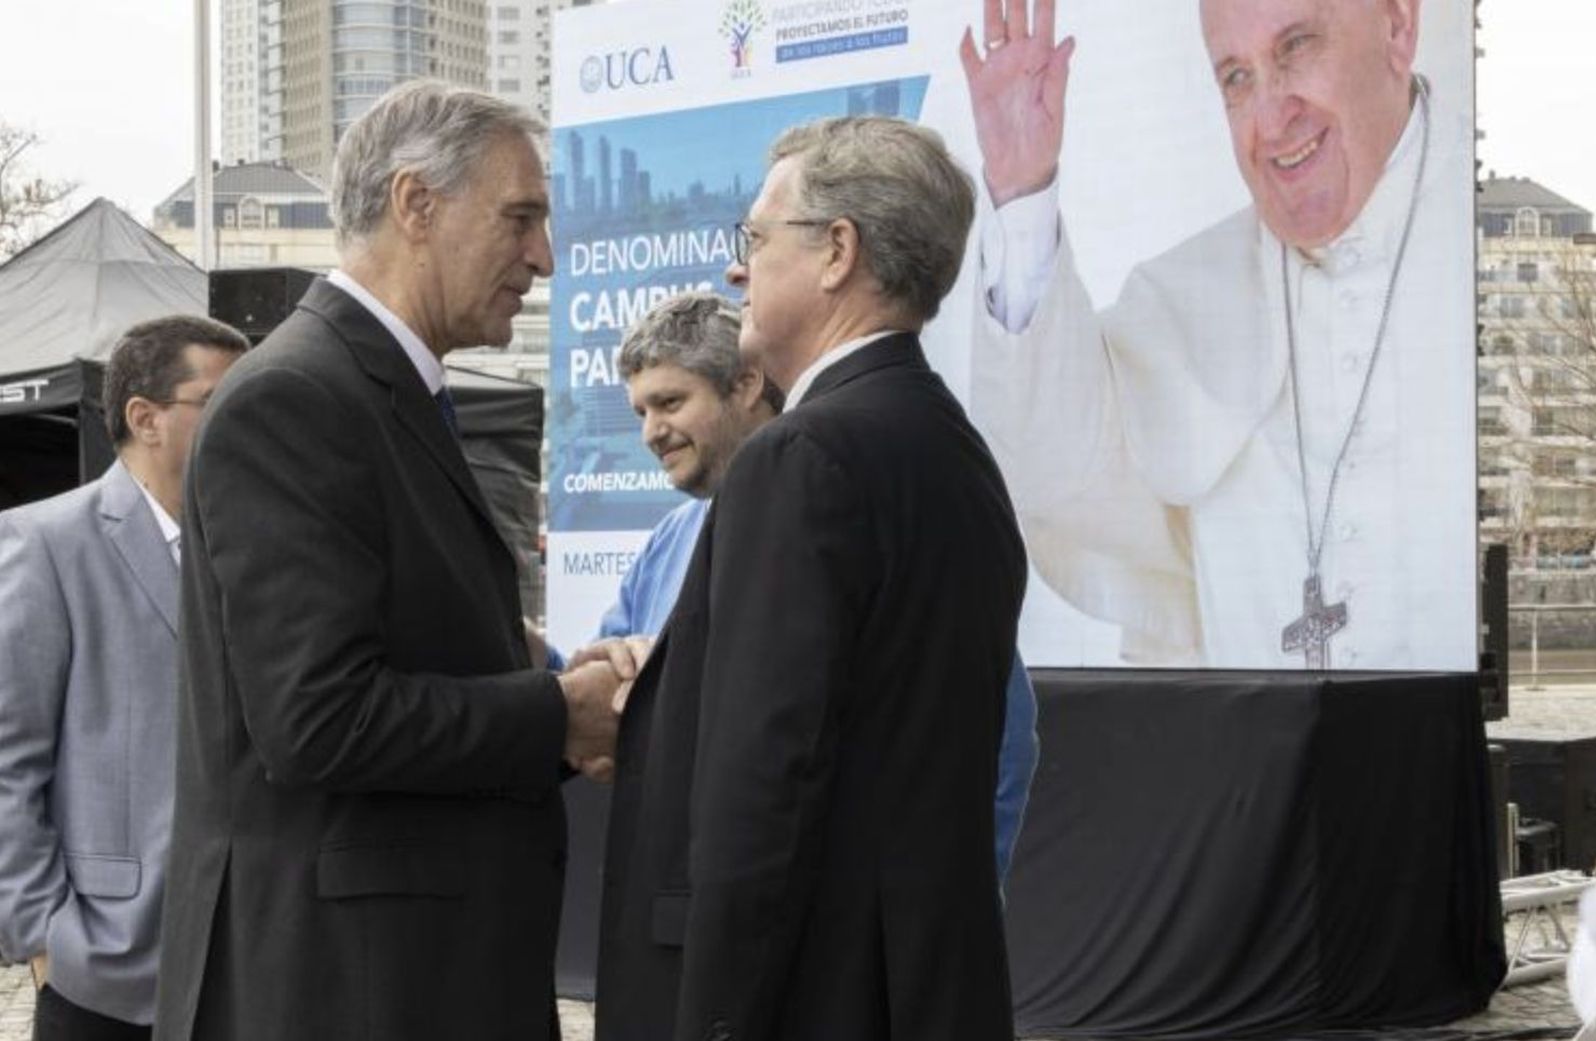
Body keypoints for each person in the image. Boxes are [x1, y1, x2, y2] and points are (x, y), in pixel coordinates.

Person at [151, 81, 625, 1041]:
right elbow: (317, 720)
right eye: (522, 218)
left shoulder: (378, 391)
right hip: (350, 993)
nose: (542, 256)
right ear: (417, 205)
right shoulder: (297, 397)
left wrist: (541, 687)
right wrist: (551, 711)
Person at [593, 116, 1027, 1041]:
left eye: (754, 238)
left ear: (838, 251)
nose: (738, 270)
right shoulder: (952, 447)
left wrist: (714, 1021)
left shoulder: (802, 457)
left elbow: (763, 786)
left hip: (814, 996)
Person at [960, 0, 1475, 669]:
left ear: (1398, 28)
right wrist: (1021, 190)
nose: (1270, 118)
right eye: (1236, 78)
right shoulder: (1185, 299)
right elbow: (1060, 480)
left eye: (1296, 47)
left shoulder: (1486, 242)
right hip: (1272, 764)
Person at [600, 289, 1039, 884]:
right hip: (693, 905)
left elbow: (999, 731)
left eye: (670, 402)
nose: (651, 432)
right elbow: (608, 693)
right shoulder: (668, 543)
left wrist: (959, 898)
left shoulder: (858, 507)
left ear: (748, 383)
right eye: (639, 412)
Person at [0, 316, 247, 1041]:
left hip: (249, 964)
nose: (249, 422)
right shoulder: (45, 545)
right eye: (222, 403)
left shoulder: (255, 548)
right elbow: (8, 763)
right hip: (108, 971)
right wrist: (47, 938)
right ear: (146, 418)